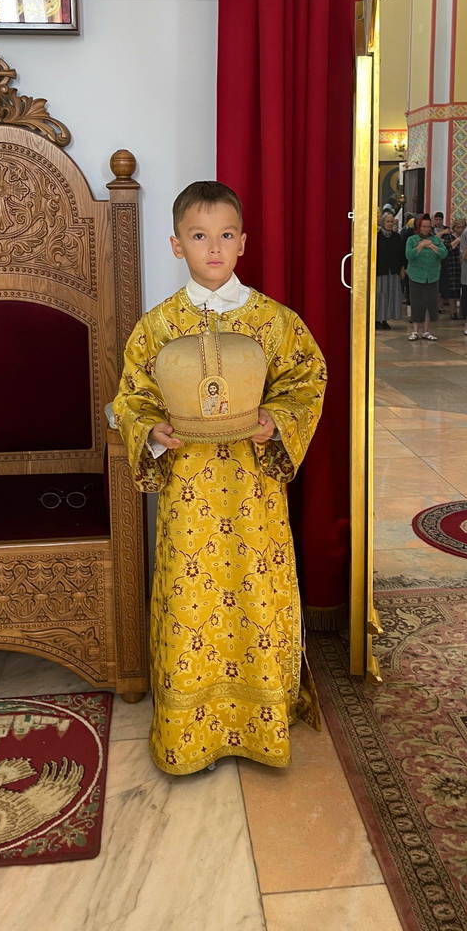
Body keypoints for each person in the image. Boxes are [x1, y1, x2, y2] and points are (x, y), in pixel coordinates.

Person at [112, 182, 326, 774]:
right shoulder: (157, 327)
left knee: (256, 594)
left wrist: (277, 421)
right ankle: (191, 736)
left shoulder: (275, 322)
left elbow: (307, 382)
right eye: (199, 236)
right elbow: (131, 398)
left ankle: (261, 726)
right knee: (190, 599)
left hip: (255, 492)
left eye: (225, 235)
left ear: (242, 243)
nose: (213, 248)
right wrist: (151, 431)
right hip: (189, 493)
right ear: (176, 245)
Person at [405, 214, 448, 341]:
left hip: (432, 276)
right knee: (417, 303)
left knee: (430, 303)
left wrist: (432, 246)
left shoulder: (435, 239)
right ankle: (415, 331)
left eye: (428, 227)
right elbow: (409, 255)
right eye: (423, 226)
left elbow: (444, 253)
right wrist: (421, 246)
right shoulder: (412, 239)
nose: (426, 229)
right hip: (416, 276)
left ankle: (426, 331)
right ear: (419, 227)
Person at [375, 211, 406, 329]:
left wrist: (402, 269)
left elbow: (401, 254)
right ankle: (377, 319)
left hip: (393, 271)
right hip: (380, 271)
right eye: (387, 221)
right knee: (380, 295)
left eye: (392, 222)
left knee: (390, 295)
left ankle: (385, 319)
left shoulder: (396, 237)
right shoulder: (377, 236)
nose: (390, 224)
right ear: (383, 222)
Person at [440, 218, 465, 319]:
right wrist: (457, 241)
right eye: (458, 227)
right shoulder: (448, 237)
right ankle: (453, 311)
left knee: (463, 289)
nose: (460, 229)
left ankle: (463, 311)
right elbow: (446, 249)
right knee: (452, 290)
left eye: (462, 227)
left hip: (463, 265)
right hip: (452, 265)